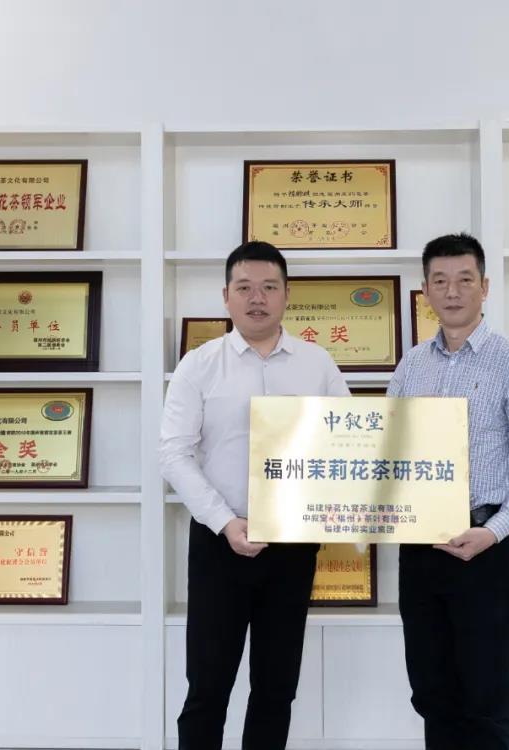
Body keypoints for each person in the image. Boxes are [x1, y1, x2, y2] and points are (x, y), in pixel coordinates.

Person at [160, 240, 349, 750]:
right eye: (244, 287)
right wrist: (226, 522)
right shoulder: (199, 365)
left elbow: (348, 438)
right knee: (207, 687)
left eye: (269, 287)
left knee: (276, 688)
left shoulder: (317, 363)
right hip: (220, 543)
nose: (257, 298)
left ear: (287, 294)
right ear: (226, 296)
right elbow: (173, 454)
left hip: (293, 545)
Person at [387, 232, 509, 750]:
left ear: (485, 287)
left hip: (483, 546)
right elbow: (388, 451)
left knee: (486, 695)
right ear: (425, 291)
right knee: (431, 690)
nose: (452, 291)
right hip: (420, 548)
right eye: (440, 281)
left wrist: (493, 532)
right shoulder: (412, 365)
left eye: (464, 280)